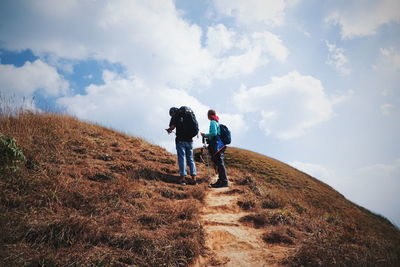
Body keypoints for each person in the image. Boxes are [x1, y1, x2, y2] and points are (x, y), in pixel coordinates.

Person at [166, 107, 197, 185]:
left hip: (180, 141)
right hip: (190, 140)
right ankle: (194, 179)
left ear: (172, 113)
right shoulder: (188, 115)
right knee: (190, 159)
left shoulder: (175, 116)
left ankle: (183, 179)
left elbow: (172, 127)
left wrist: (169, 129)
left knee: (182, 158)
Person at [201, 109, 228, 188]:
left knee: (219, 162)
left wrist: (205, 135)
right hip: (220, 145)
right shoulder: (217, 122)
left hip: (216, 145)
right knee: (220, 162)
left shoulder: (213, 122)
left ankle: (223, 181)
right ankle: (222, 180)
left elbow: (214, 133)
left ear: (209, 115)